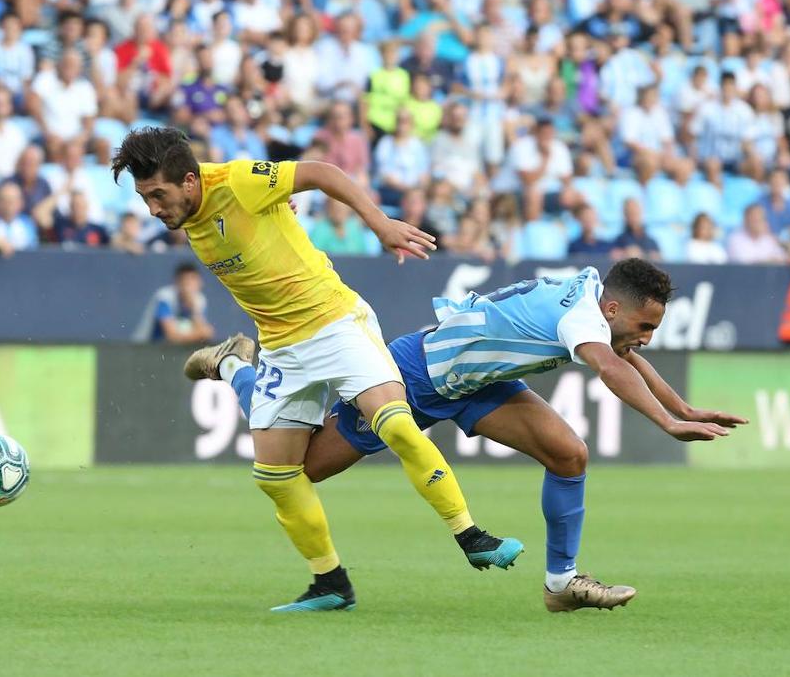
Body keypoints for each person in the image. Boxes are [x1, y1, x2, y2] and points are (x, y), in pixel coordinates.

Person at [110, 127, 521, 612]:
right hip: (282, 345)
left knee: (396, 424)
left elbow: (323, 173)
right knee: (275, 476)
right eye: (145, 199)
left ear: (191, 181)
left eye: (158, 195)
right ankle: (330, 583)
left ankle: (470, 534)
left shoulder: (238, 180)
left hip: (333, 320)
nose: (153, 209)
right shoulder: (191, 212)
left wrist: (379, 223)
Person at [227, 260, 742, 613]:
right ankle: (239, 371)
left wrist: (683, 408)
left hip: (479, 383)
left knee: (569, 454)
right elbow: (610, 366)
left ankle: (562, 584)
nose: (647, 336)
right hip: (417, 371)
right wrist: (669, 423)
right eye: (644, 324)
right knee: (306, 468)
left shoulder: (594, 304)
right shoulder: (582, 314)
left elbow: (624, 356)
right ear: (613, 309)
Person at [133, 262, 215, 344]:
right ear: (177, 282)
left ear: (200, 282)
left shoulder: (199, 299)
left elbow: (206, 335)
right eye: (184, 280)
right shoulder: (165, 297)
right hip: (146, 348)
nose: (188, 284)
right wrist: (200, 334)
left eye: (192, 279)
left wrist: (195, 310)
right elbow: (172, 337)